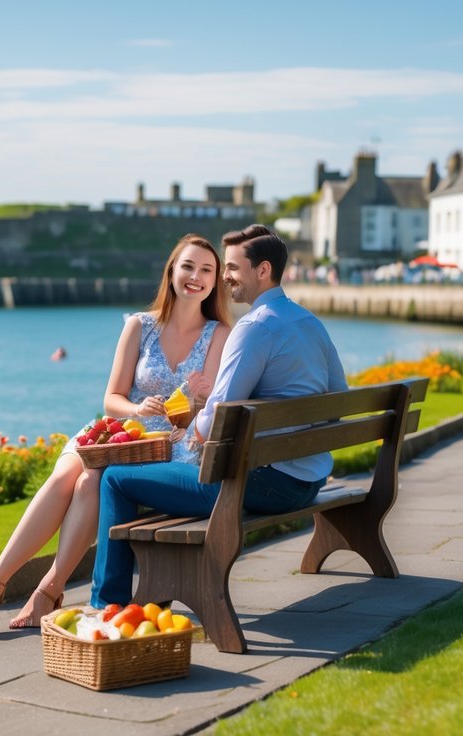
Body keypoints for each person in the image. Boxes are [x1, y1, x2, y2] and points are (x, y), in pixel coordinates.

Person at [0, 234, 231, 632]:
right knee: (68, 473)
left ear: (215, 280)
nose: (195, 277)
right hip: (118, 432)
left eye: (206, 270)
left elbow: (205, 405)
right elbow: (112, 396)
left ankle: (47, 590)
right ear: (171, 271)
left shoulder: (219, 335)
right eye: (188, 266)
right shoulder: (139, 326)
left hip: (167, 447)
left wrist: (186, 402)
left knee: (89, 483)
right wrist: (138, 407)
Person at [90, 224, 347, 609]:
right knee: (146, 477)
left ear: (262, 271)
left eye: (231, 268)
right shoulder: (309, 322)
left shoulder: (254, 328)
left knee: (115, 479)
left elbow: (215, 420)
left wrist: (188, 426)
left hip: (259, 485)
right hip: (310, 479)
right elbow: (339, 400)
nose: (225, 278)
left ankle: (106, 605)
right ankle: (142, 599)